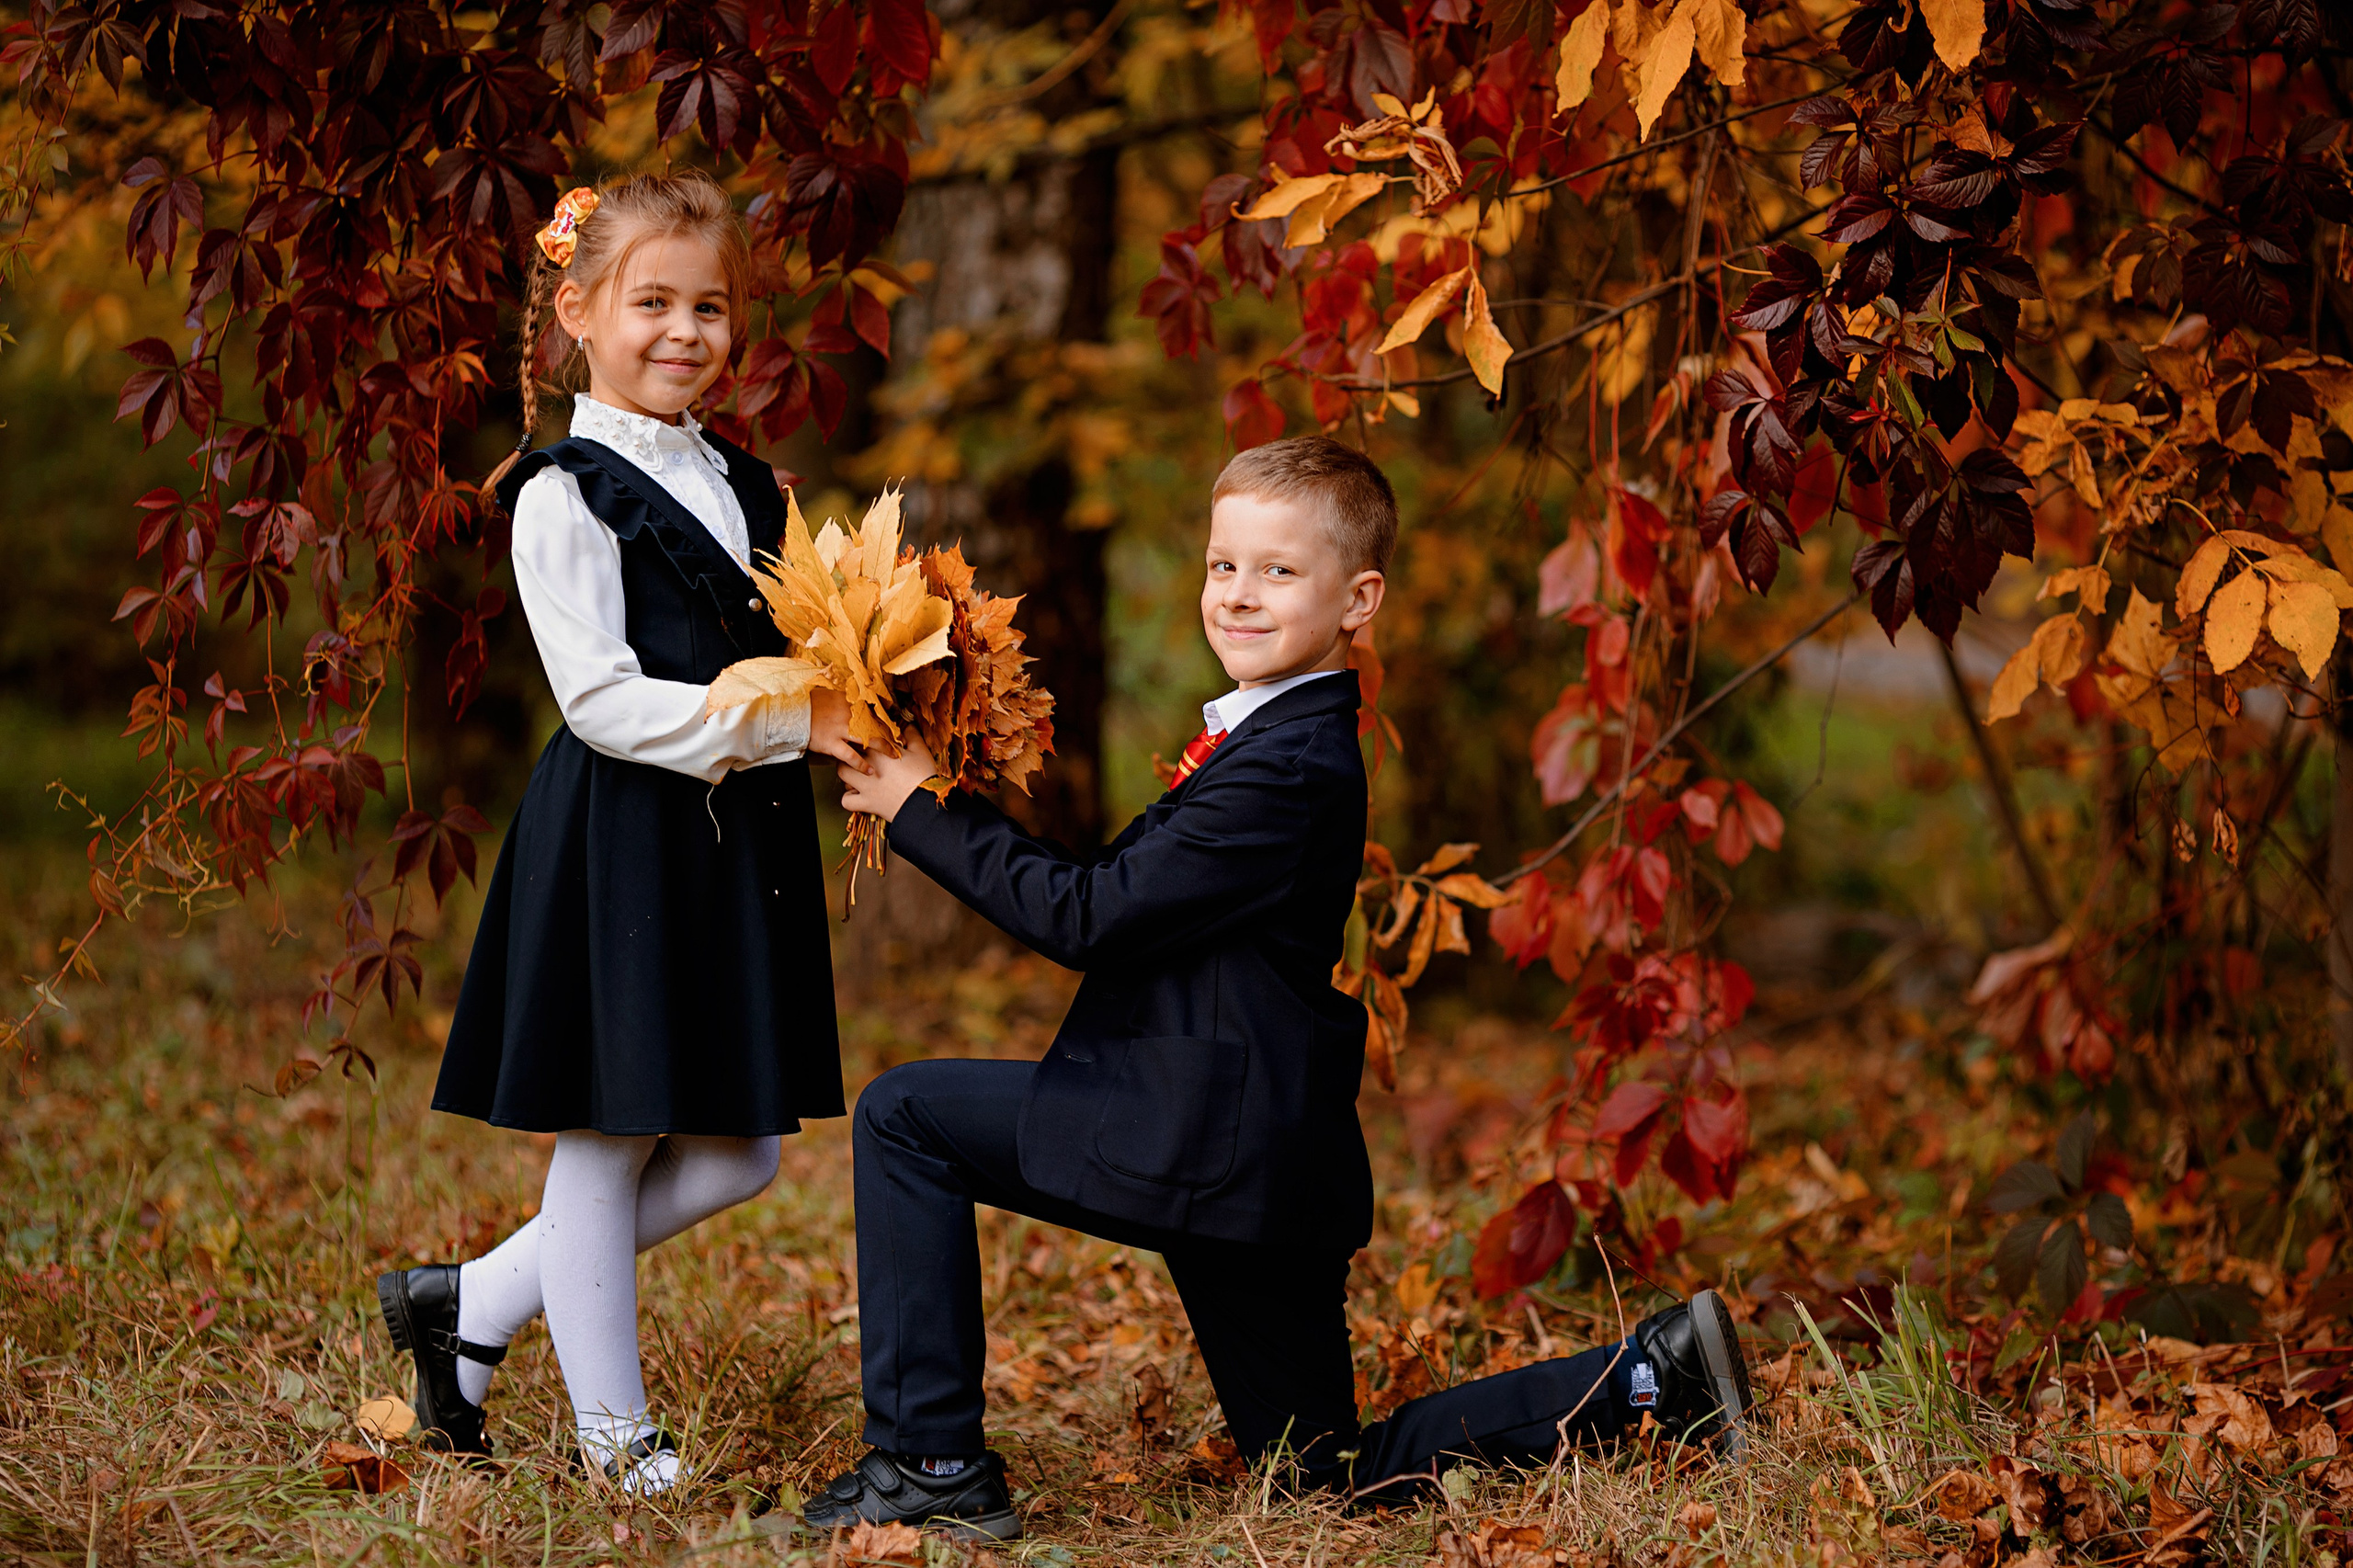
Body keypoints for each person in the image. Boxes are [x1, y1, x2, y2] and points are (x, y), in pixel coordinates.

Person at [813, 437, 1755, 1541]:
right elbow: (1125, 895)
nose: (1239, 593)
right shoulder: (1272, 738)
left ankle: (930, 1462)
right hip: (1254, 1151)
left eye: (1277, 570)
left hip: (1198, 1136)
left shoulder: (1288, 765)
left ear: (1359, 600)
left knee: (906, 1114)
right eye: (1224, 565)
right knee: (1321, 1473)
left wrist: (922, 806)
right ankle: (1652, 1377)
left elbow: (1088, 917)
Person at [376, 174, 851, 1495]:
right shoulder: (563, 491)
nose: (685, 331)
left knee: (740, 1150)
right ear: (580, 312)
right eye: (653, 303)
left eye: (711, 307)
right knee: (606, 1135)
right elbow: (599, 698)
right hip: (625, 834)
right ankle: (613, 1438)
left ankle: (467, 1300)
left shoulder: (743, 479)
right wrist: (791, 724)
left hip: (732, 841)